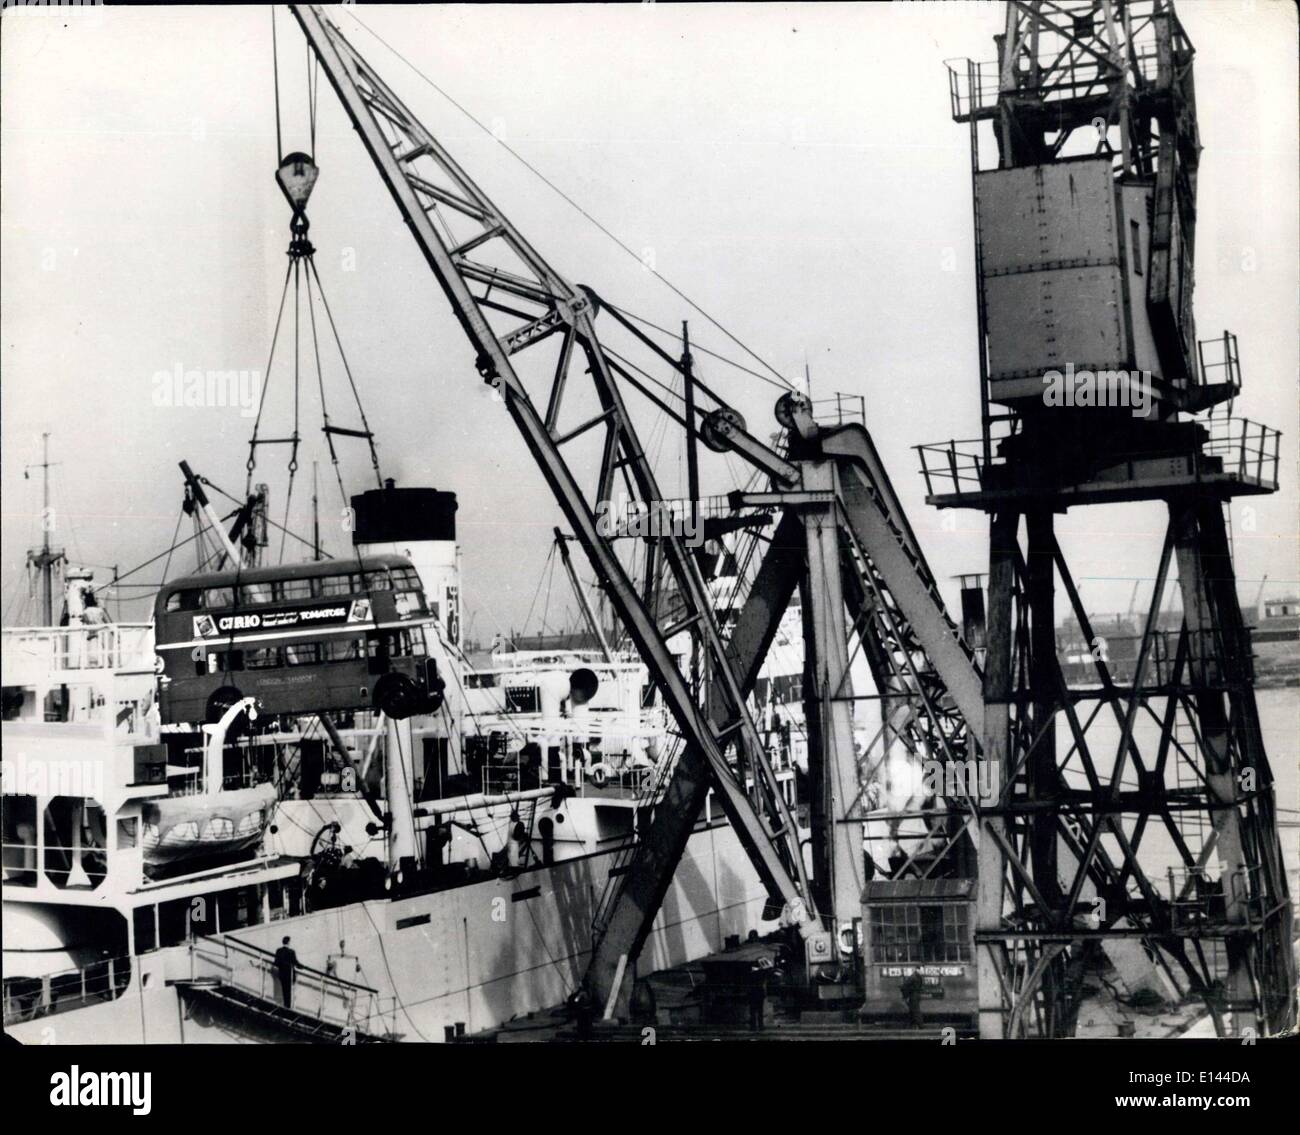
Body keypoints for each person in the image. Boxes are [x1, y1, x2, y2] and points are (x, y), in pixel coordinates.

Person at [273, 936, 298, 1009]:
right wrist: (303, 967)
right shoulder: (291, 952)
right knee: (289, 992)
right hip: (290, 974)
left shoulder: (279, 951)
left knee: (284, 990)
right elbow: (295, 962)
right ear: (289, 942)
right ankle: (288, 1007)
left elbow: (276, 963)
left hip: (282, 974)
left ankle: (286, 1006)